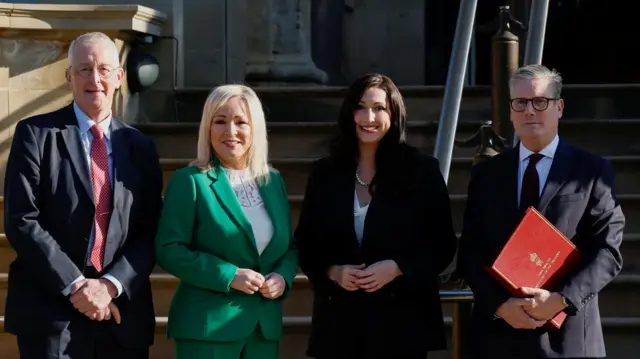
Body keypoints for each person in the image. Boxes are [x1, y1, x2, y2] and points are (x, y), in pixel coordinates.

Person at [3, 32, 163, 359]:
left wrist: (108, 286)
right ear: (68, 77)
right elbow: (22, 220)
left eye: (104, 69)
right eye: (83, 69)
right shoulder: (34, 135)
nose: (95, 79)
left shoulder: (141, 147)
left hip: (121, 315)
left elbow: (151, 230)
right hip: (50, 314)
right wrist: (77, 286)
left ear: (119, 77)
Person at [458, 64, 624, 359]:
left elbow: (607, 251)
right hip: (497, 337)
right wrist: (500, 305)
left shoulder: (591, 171)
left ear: (559, 107)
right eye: (520, 103)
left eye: (540, 101)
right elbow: (471, 251)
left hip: (568, 337)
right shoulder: (487, 175)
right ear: (510, 111)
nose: (529, 111)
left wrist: (560, 299)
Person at [295, 73, 458, 359]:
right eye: (361, 106)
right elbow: (306, 244)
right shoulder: (324, 174)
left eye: (379, 108)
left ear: (394, 114)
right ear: (350, 113)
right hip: (339, 326)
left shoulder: (422, 171)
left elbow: (442, 244)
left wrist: (398, 267)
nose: (369, 116)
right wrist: (334, 272)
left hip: (402, 325)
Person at [155, 84, 298, 359]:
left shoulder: (273, 181)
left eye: (240, 122)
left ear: (254, 128)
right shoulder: (190, 181)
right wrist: (229, 275)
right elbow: (169, 249)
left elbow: (288, 247)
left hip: (262, 329)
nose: (230, 131)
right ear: (208, 128)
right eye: (220, 121)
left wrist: (282, 277)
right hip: (207, 328)